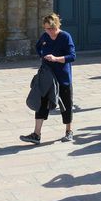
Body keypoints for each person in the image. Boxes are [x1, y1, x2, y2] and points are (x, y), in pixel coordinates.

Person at [21, 13, 76, 144]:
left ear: (57, 25)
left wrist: (56, 59)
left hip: (62, 77)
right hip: (47, 77)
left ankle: (69, 132)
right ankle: (36, 134)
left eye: (51, 29)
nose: (49, 31)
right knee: (41, 103)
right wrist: (43, 56)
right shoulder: (45, 36)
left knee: (66, 104)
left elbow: (72, 56)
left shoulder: (65, 37)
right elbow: (38, 47)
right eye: (46, 29)